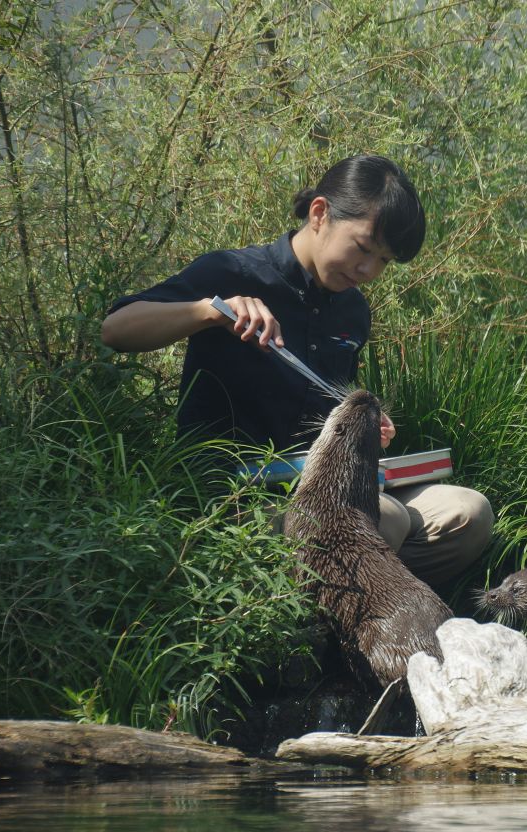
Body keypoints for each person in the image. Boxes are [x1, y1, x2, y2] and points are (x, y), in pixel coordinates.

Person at [101, 154, 493, 588]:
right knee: (382, 519)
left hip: (319, 487)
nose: (368, 271)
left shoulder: (353, 312)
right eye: (363, 248)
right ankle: (333, 635)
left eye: (383, 261)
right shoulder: (233, 273)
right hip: (232, 497)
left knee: (468, 513)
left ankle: (373, 605)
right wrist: (209, 312)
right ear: (320, 213)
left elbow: (322, 406)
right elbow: (116, 329)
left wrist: (358, 429)